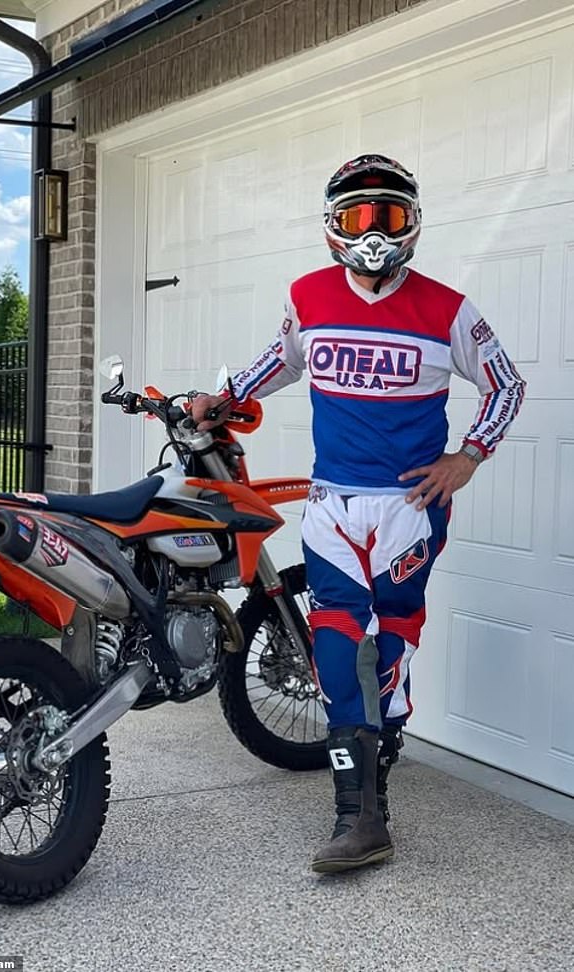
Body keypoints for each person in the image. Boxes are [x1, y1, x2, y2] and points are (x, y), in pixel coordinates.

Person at [192, 154, 526, 874]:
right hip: (332, 503)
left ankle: (380, 777)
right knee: (337, 644)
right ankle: (358, 816)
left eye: (390, 215)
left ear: (413, 225)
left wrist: (469, 456)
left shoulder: (447, 308)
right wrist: (215, 402)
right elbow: (277, 362)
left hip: (410, 509)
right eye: (357, 217)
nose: (374, 232)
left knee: (394, 642)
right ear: (331, 228)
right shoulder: (307, 295)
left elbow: (506, 385)